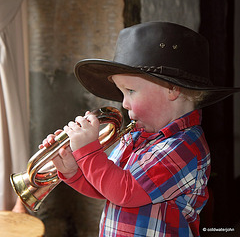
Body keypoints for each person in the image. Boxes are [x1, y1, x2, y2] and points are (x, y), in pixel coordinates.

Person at [40, 22, 240, 236]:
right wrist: (73, 171)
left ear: (172, 89)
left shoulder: (184, 146)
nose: (124, 104)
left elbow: (125, 191)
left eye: (131, 91)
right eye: (122, 93)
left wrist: (88, 151)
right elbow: (107, 188)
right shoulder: (135, 136)